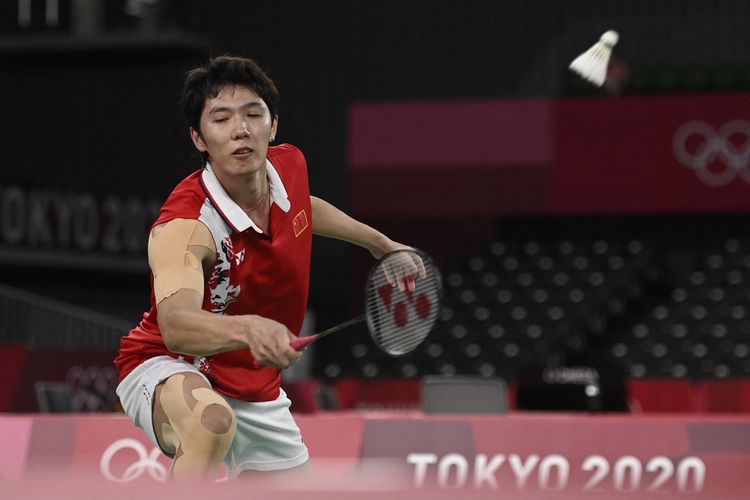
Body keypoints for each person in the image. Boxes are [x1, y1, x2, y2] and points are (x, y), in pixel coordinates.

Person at [114, 55, 413, 481]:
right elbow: (176, 324)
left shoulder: (289, 166)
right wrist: (251, 328)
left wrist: (381, 245)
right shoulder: (187, 226)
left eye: (253, 114)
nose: (241, 129)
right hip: (171, 363)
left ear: (272, 126)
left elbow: (303, 210)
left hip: (253, 384)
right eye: (221, 119)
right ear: (199, 137)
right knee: (210, 423)